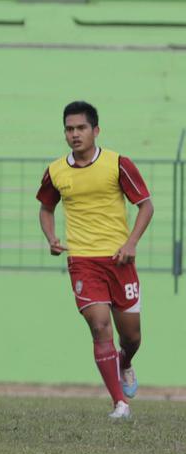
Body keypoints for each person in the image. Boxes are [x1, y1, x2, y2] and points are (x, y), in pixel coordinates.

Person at [36, 100, 152, 420]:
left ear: (95, 130)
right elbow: (46, 208)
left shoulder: (118, 164)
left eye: (81, 128)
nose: (75, 134)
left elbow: (146, 205)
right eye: (70, 129)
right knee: (100, 327)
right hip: (83, 261)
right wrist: (51, 238)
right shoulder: (56, 170)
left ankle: (125, 363)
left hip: (119, 261)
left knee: (131, 337)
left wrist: (131, 243)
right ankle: (120, 404)